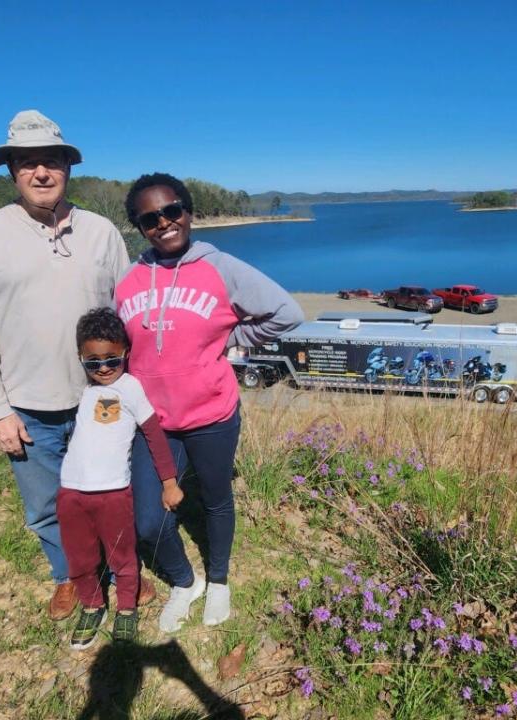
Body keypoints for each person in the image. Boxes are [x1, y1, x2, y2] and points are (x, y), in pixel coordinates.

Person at [0, 110, 155, 620]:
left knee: (113, 493)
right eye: (27, 163)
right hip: (29, 404)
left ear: (68, 167)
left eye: (51, 161)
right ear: (11, 172)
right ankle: (70, 576)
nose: (40, 173)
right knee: (50, 506)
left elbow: (128, 312)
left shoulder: (102, 232)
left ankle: (123, 569)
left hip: (101, 400)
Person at [116, 173, 303, 632]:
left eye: (172, 210)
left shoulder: (222, 267)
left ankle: (218, 580)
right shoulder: (129, 279)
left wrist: (232, 337)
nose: (164, 223)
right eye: (150, 218)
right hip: (153, 422)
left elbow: (287, 313)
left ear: (189, 211)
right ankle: (185, 581)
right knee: (147, 519)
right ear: (140, 226)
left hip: (212, 414)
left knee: (217, 500)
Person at [58, 308, 179, 649]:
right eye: (92, 362)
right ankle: (92, 604)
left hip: (113, 492)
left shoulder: (131, 387)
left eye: (112, 359)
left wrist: (169, 482)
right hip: (71, 492)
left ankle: (126, 608)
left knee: (121, 554)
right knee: (80, 556)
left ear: (125, 352)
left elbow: (155, 435)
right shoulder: (81, 391)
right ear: (81, 359)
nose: (104, 368)